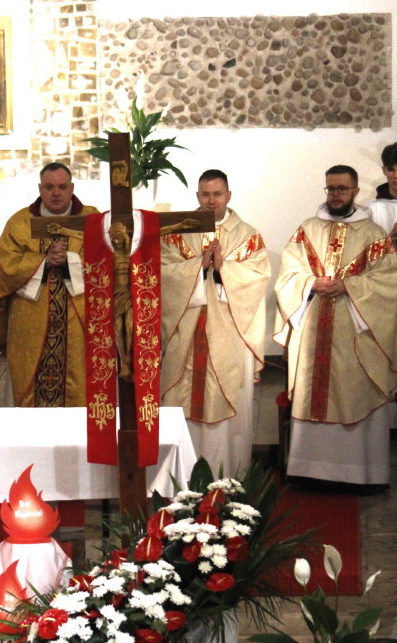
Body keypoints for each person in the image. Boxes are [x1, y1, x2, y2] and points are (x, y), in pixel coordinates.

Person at [274, 165, 397, 492]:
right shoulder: (308, 229)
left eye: (342, 189)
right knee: (312, 390)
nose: (336, 195)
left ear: (356, 191)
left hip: (355, 334)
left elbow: (388, 281)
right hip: (313, 328)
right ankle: (308, 470)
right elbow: (288, 274)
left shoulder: (373, 234)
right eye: (331, 189)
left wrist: (348, 287)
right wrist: (311, 283)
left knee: (355, 391)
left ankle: (360, 474)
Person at [160, 170, 269, 477]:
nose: (211, 201)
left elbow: (257, 279)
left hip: (229, 337)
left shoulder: (247, 235)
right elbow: (163, 275)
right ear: (197, 196)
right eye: (206, 194)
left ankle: (228, 477)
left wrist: (224, 268)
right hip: (185, 333)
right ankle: (179, 477)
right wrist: (198, 266)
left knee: (226, 405)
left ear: (228, 196)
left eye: (217, 194)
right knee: (181, 405)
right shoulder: (176, 233)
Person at [0, 163, 96, 407]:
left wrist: (69, 260)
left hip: (79, 318)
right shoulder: (19, 223)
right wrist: (44, 262)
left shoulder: (91, 219)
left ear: (72, 188)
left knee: (80, 383)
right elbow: (6, 268)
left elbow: (105, 262)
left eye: (62, 187)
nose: (56, 193)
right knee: (28, 381)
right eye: (49, 187)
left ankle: (78, 429)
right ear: (40, 189)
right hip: (31, 318)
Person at [368, 142, 397, 235]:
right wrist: (389, 240)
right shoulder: (373, 209)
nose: (395, 176)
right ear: (384, 170)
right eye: (391, 170)